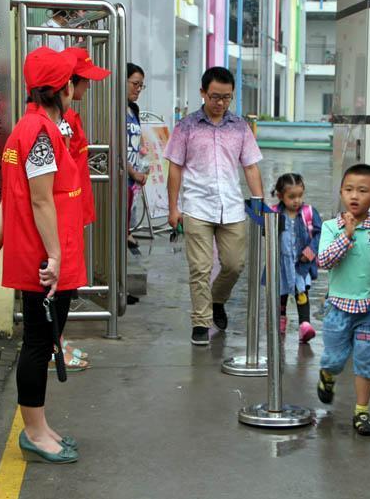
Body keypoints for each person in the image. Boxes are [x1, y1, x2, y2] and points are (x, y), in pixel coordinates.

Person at [0, 47, 85, 463]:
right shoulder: (39, 134)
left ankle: (40, 425)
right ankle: (34, 433)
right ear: (62, 89)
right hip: (45, 259)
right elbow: (39, 201)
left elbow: (10, 196)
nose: (76, 88)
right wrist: (54, 258)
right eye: (73, 81)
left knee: (40, 340)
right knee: (39, 342)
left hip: (39, 253)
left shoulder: (30, 128)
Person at [165, 67, 264, 346]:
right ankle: (200, 320)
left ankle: (217, 300)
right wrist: (174, 208)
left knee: (234, 265)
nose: (220, 103)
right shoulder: (186, 126)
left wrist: (260, 206)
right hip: (196, 206)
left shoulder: (240, 127)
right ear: (202, 93)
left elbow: (251, 168)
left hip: (231, 207)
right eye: (215, 97)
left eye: (226, 98)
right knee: (200, 267)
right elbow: (174, 169)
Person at [316, 164, 370, 436]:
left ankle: (361, 411)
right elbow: (325, 261)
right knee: (333, 359)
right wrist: (347, 235)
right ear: (341, 192)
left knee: (366, 362)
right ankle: (327, 376)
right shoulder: (331, 227)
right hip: (337, 309)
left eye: (363, 191)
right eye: (349, 189)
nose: (355, 196)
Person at [56, 46, 112, 369]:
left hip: (73, 205)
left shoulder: (68, 118)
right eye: (84, 81)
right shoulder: (61, 120)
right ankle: (53, 346)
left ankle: (57, 340)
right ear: (68, 83)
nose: (88, 87)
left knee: (67, 281)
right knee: (61, 283)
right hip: (64, 210)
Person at [272, 173, 322, 343]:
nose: (297, 200)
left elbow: (318, 233)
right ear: (280, 196)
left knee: (302, 292)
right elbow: (266, 233)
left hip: (301, 263)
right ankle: (281, 319)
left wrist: (309, 252)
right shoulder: (274, 213)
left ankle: (304, 325)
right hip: (281, 263)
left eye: (300, 195)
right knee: (281, 293)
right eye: (291, 197)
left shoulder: (308, 212)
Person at [126, 62, 148, 254]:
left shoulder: (134, 110)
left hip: (133, 178)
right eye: (135, 84)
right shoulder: (114, 109)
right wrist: (132, 172)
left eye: (141, 85)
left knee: (129, 219)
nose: (138, 89)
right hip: (122, 175)